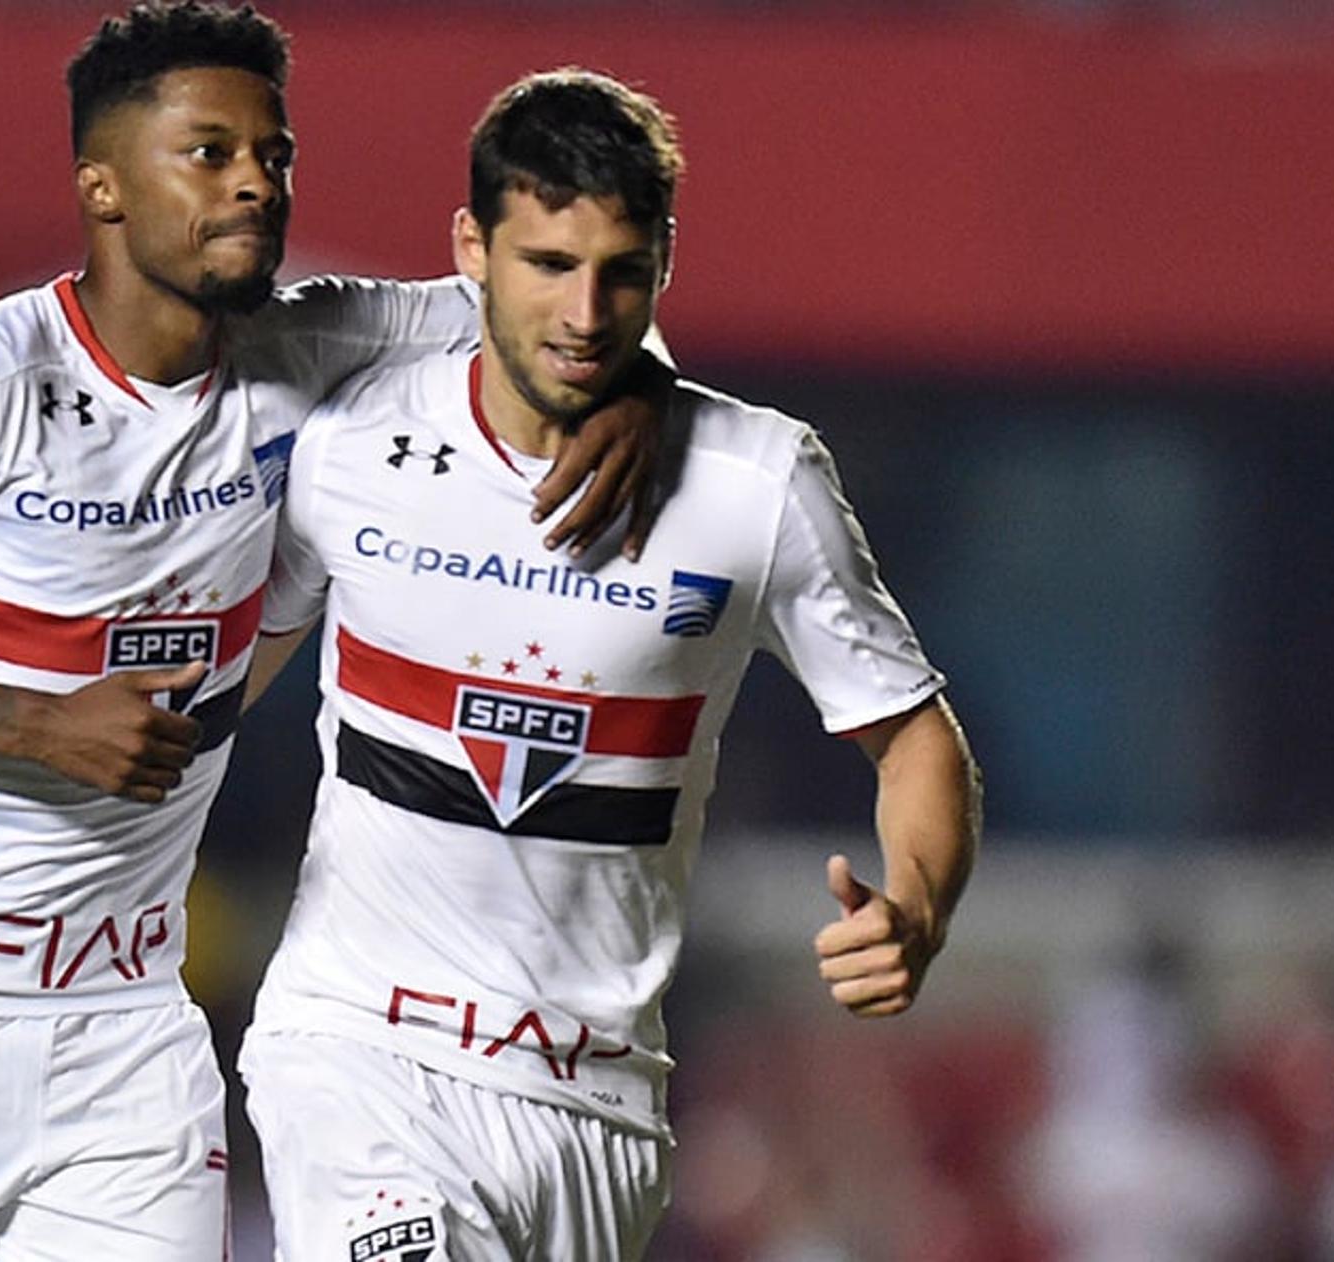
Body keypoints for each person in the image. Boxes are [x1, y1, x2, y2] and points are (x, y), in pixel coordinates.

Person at [0, 5, 659, 1259]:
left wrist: (639, 385)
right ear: (102, 184)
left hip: (124, 1023)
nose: (256, 180)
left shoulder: (312, 344)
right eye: (208, 152)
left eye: (275, 154)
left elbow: (559, 305)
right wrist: (18, 724)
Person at [229, 70, 982, 1260]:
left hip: (602, 1101)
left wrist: (920, 906)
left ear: (666, 262)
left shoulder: (757, 482)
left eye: (622, 271)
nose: (585, 314)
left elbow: (914, 733)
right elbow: (201, 687)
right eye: (546, 265)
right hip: (360, 1052)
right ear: (470, 248)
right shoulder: (350, 443)